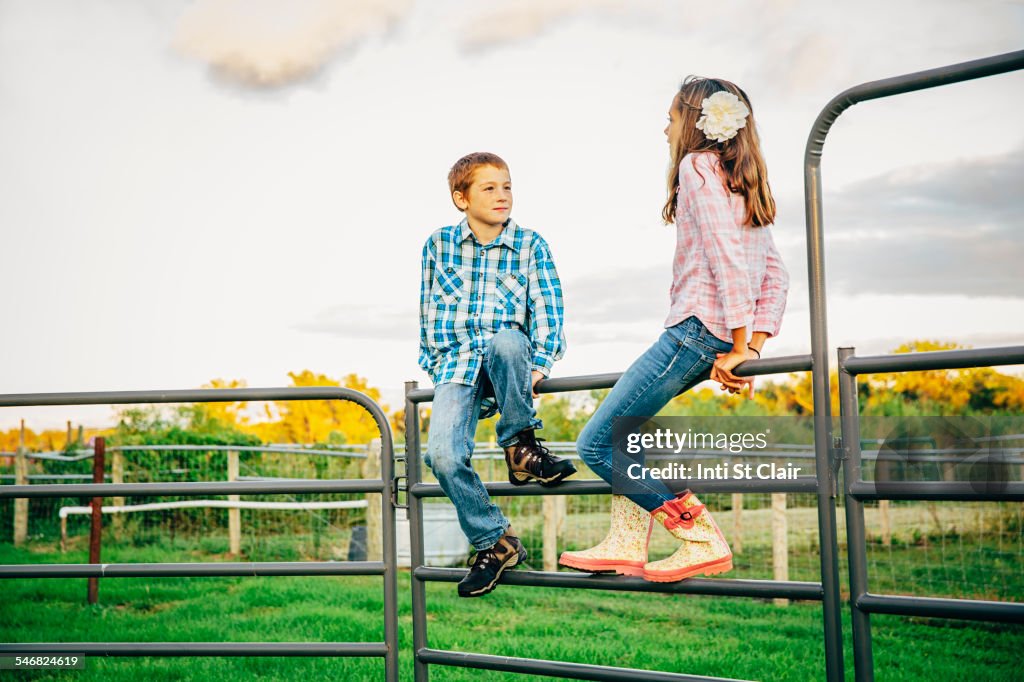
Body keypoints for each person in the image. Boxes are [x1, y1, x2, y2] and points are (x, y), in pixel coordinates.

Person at [559, 77, 789, 582]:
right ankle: (624, 542)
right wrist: (751, 345)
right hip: (715, 334)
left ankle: (700, 538)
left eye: (670, 116)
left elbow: (727, 263)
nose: (665, 127)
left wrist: (735, 344)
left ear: (693, 122)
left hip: (693, 331)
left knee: (595, 444)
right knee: (629, 435)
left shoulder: (696, 167)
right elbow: (775, 274)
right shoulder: (739, 180)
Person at [419, 152, 577, 597]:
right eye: (488, 188)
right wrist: (435, 364)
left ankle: (520, 444)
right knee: (443, 457)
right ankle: (494, 540)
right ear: (460, 198)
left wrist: (541, 362)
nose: (502, 195)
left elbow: (548, 308)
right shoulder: (438, 245)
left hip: (510, 362)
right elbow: (427, 309)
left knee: (509, 339)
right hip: (456, 363)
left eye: (507, 186)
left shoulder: (531, 245)